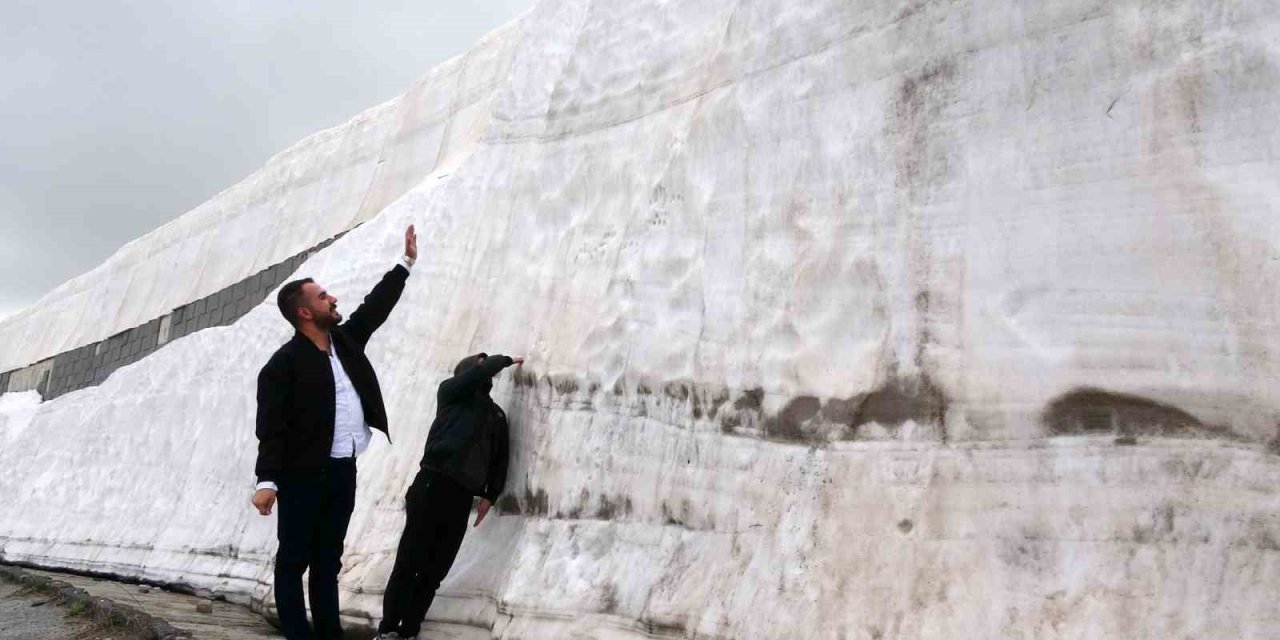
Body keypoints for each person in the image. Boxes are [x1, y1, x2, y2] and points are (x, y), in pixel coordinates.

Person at [251, 225, 418, 640]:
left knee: (328, 561)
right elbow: (271, 428)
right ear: (305, 313)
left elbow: (373, 309)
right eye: (323, 296)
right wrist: (267, 481)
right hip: (301, 474)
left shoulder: (345, 342)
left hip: (343, 470)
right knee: (293, 560)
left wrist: (405, 264)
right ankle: (297, 634)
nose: (333, 299)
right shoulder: (282, 365)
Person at [376, 352, 523, 640]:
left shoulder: (496, 415)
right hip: (432, 483)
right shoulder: (450, 394)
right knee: (408, 562)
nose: (485, 371)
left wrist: (490, 495)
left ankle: (408, 632)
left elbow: (500, 458)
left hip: (461, 496)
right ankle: (388, 629)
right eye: (479, 365)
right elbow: (477, 375)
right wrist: (503, 360)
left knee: (434, 571)